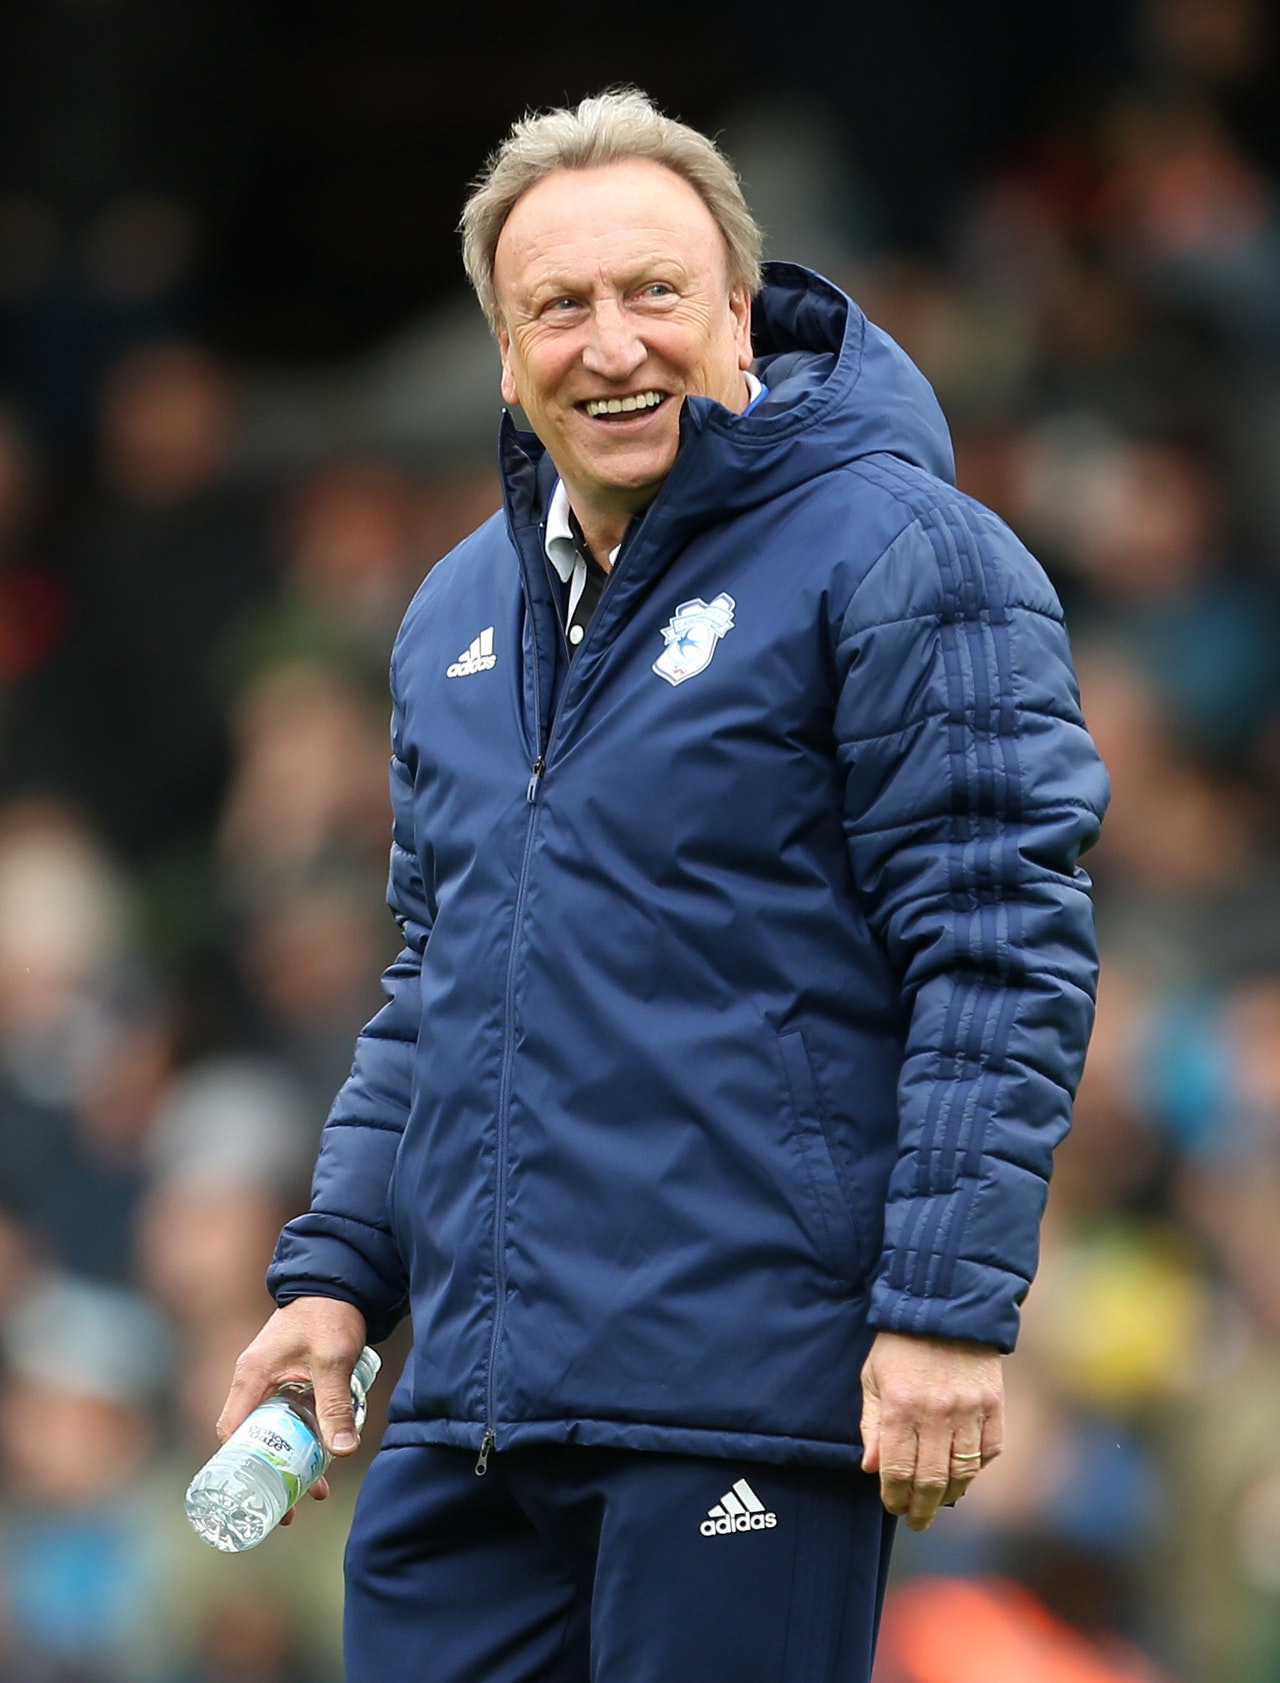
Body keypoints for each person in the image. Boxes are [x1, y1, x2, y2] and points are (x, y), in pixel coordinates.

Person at [216, 89, 1109, 1683]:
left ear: (738, 316)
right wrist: (338, 1275)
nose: (612, 344)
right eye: (560, 306)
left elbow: (999, 948)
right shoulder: (452, 613)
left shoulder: (909, 555)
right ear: (505, 356)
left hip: (740, 1402)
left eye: (654, 293)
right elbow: (436, 983)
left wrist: (942, 1310)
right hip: (473, 1417)